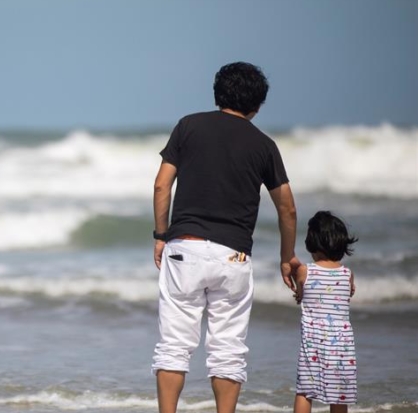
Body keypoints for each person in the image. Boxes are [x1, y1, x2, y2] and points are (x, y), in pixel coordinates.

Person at [151, 62, 302, 413]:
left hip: (183, 248)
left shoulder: (188, 126)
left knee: (174, 344)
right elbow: (288, 209)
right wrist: (286, 256)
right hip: (233, 256)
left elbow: (161, 185)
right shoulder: (264, 146)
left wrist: (161, 235)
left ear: (218, 94)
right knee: (228, 349)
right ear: (257, 105)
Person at [293, 211, 358, 413]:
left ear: (312, 241)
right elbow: (346, 296)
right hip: (341, 342)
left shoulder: (306, 271)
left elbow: (301, 293)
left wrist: (299, 293)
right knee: (340, 392)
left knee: (305, 389)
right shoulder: (347, 274)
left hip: (314, 341)